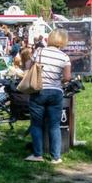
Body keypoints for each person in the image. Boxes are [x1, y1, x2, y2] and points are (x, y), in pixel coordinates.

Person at [24, 29, 72, 164]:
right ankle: (56, 157)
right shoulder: (64, 57)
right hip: (56, 92)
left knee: (36, 124)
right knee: (54, 125)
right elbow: (67, 77)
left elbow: (29, 66)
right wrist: (58, 81)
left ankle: (37, 154)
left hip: (39, 90)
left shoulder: (40, 52)